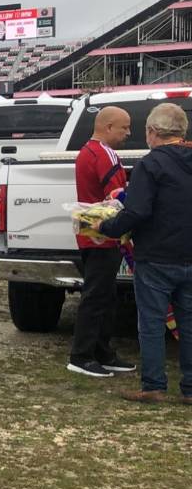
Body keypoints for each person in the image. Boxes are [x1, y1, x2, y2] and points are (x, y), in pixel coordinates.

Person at [98, 102, 192, 405]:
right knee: (189, 322)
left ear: (152, 132)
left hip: (156, 256)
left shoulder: (149, 165)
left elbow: (137, 211)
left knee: (151, 323)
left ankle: (154, 385)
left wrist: (106, 226)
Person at [67, 105, 134, 378]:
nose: (129, 133)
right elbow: (118, 197)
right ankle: (81, 355)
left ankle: (102, 351)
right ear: (108, 128)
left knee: (105, 295)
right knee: (97, 296)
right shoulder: (104, 154)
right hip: (102, 235)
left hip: (93, 235)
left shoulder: (87, 152)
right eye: (124, 127)